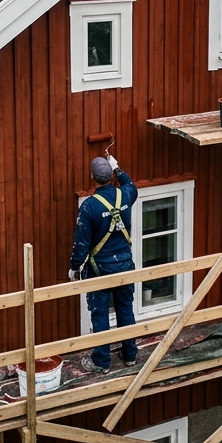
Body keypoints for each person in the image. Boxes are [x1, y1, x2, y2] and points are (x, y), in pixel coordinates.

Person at [69, 152, 140, 373]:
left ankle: (101, 361)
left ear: (93, 177)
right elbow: (131, 184)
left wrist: (74, 267)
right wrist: (117, 168)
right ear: (110, 175)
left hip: (100, 269)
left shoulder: (89, 207)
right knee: (125, 309)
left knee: (100, 314)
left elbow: (81, 242)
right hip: (125, 266)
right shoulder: (125, 195)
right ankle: (130, 355)